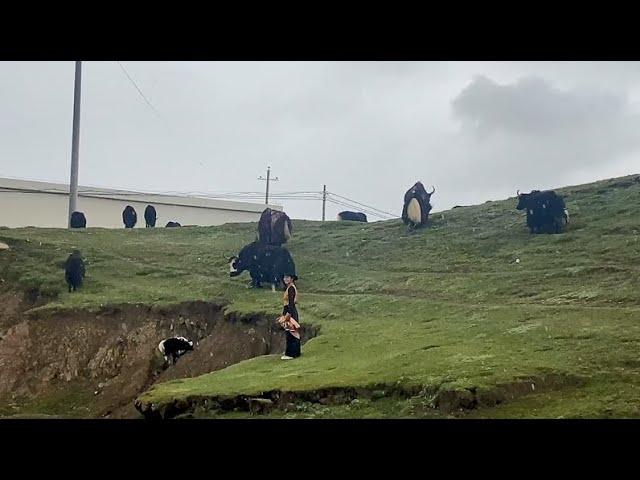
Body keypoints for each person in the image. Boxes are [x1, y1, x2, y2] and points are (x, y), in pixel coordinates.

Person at [278, 273, 301, 360]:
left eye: (287, 277)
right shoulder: (289, 287)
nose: (285, 279)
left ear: (292, 279)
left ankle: (292, 353)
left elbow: (291, 303)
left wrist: (288, 315)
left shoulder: (291, 288)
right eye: (285, 277)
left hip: (290, 312)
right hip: (289, 311)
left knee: (291, 332)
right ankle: (293, 352)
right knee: (291, 332)